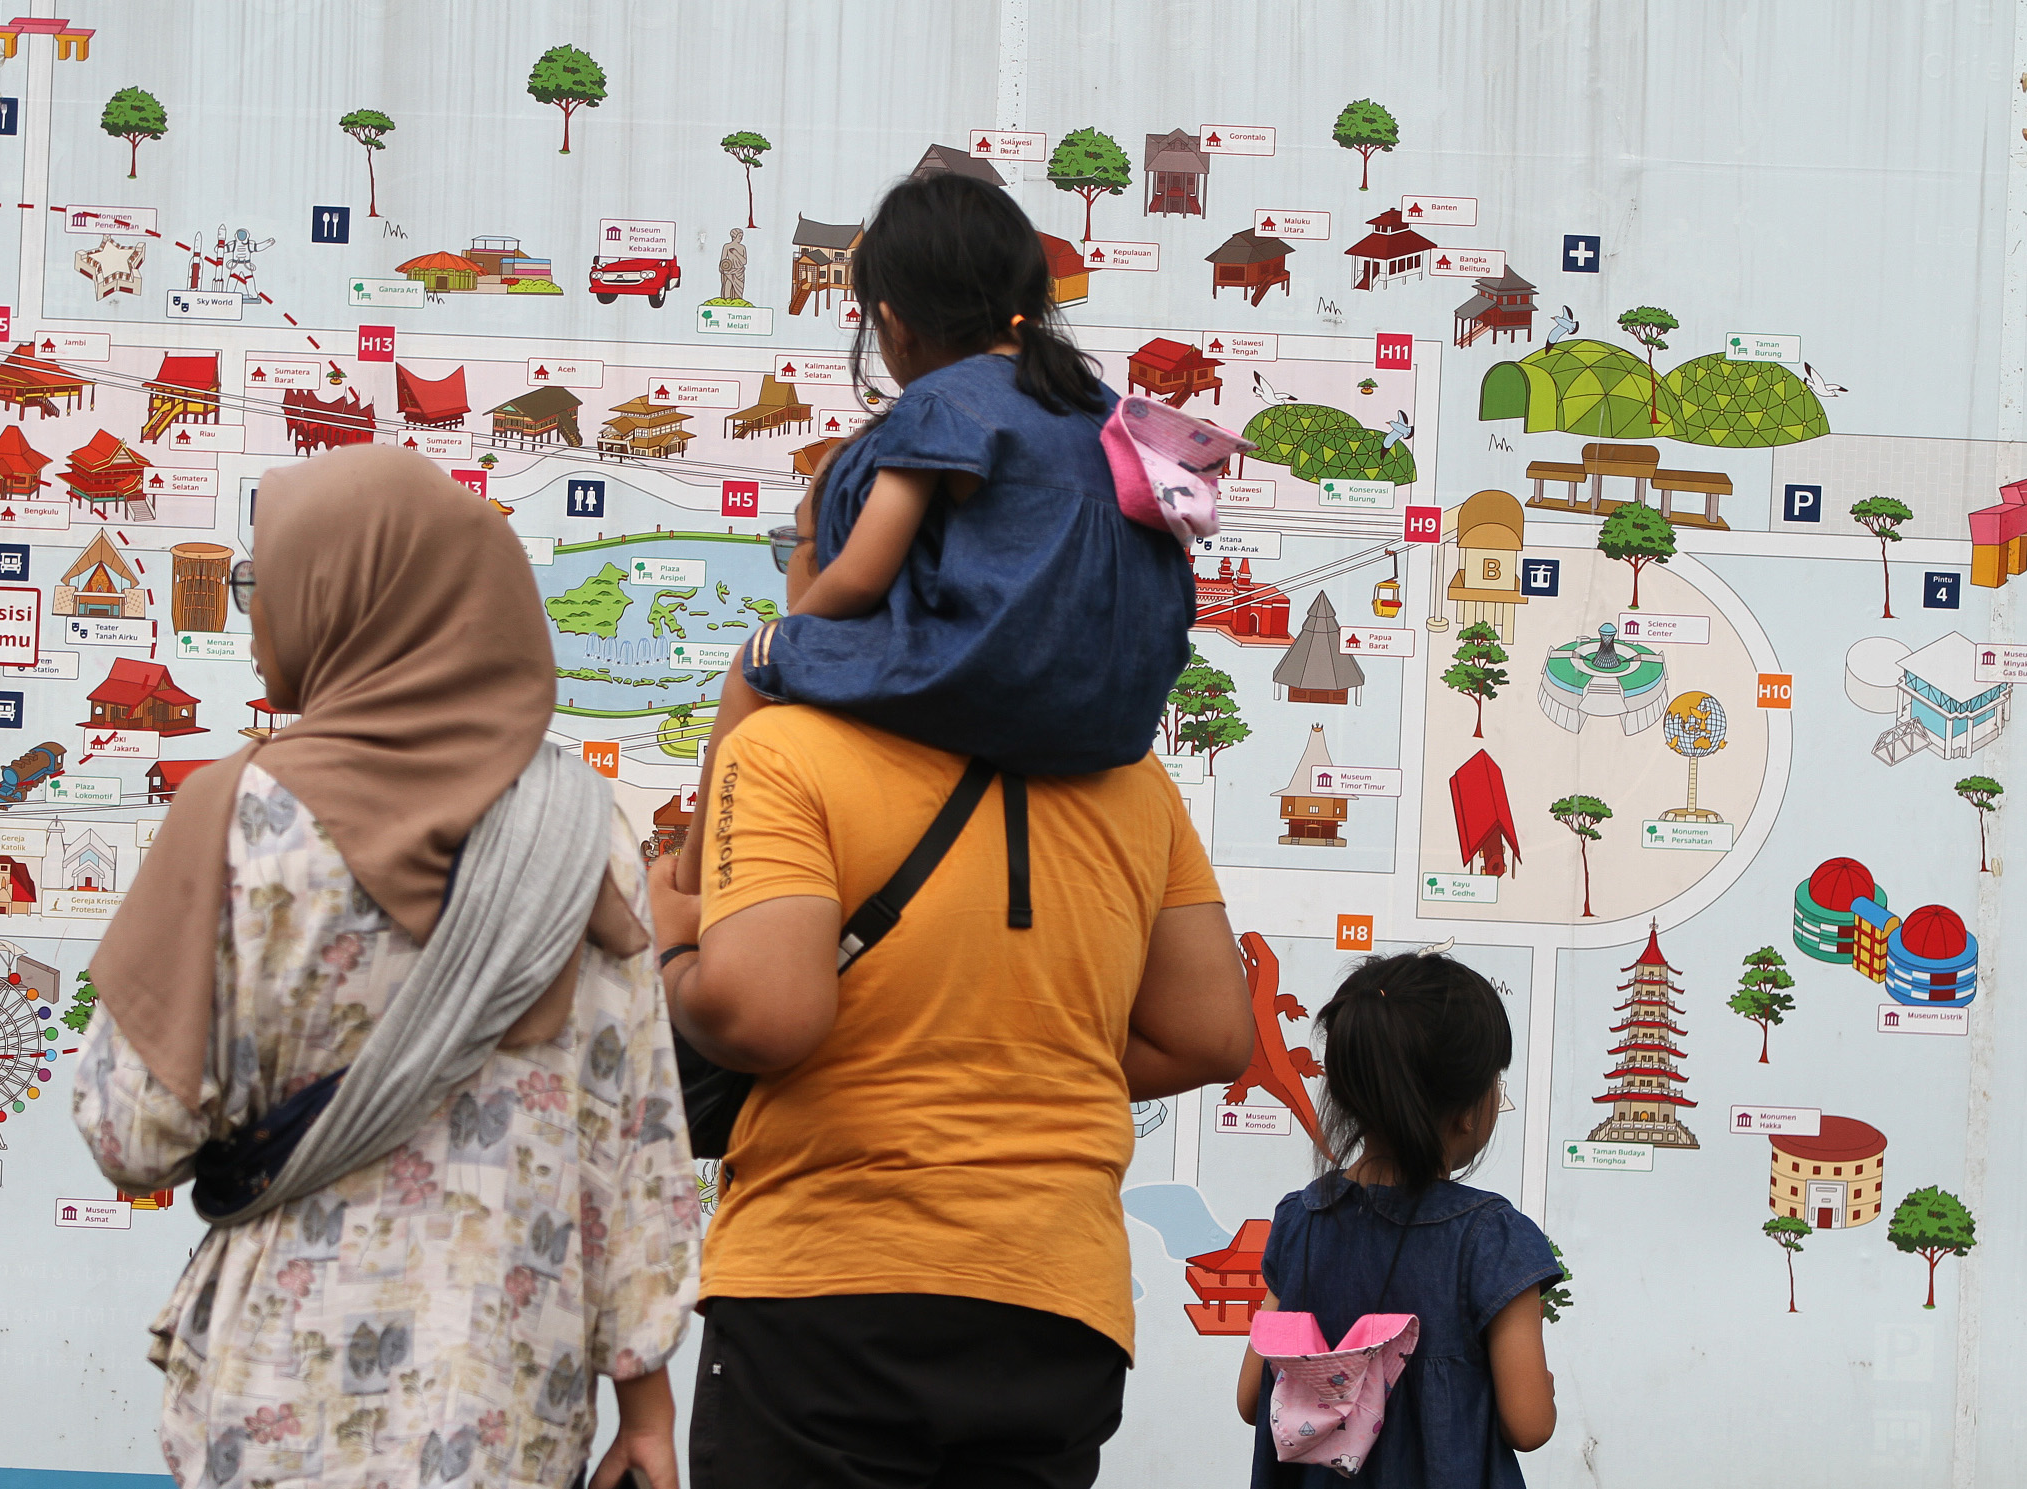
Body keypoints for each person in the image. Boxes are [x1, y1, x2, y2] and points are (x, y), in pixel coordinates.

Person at [76, 446, 701, 1489]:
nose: (251, 612)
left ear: (345, 597)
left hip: (289, 1393)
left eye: (263, 582)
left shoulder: (240, 819)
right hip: (509, 1394)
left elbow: (132, 1131)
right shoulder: (584, 836)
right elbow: (633, 1143)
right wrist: (646, 1405)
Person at [649, 475, 1255, 1488]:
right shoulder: (1128, 774)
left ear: (858, 567)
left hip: (826, 1285)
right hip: (1055, 1302)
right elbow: (1209, 1032)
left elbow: (759, 1011)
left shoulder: (788, 749)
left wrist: (671, 947)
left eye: (798, 546)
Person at [676, 171, 1197, 883]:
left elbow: (860, 575)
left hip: (996, 681)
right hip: (1116, 716)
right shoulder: (1099, 403)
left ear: (892, 321)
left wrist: (795, 628)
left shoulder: (940, 403)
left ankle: (686, 881)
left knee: (756, 662)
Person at [1235, 952, 1561, 1486]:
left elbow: (1253, 1398)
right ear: (1466, 1109)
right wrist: (1542, 1389)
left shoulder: (1300, 1222)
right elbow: (1528, 1424)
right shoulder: (1490, 1238)